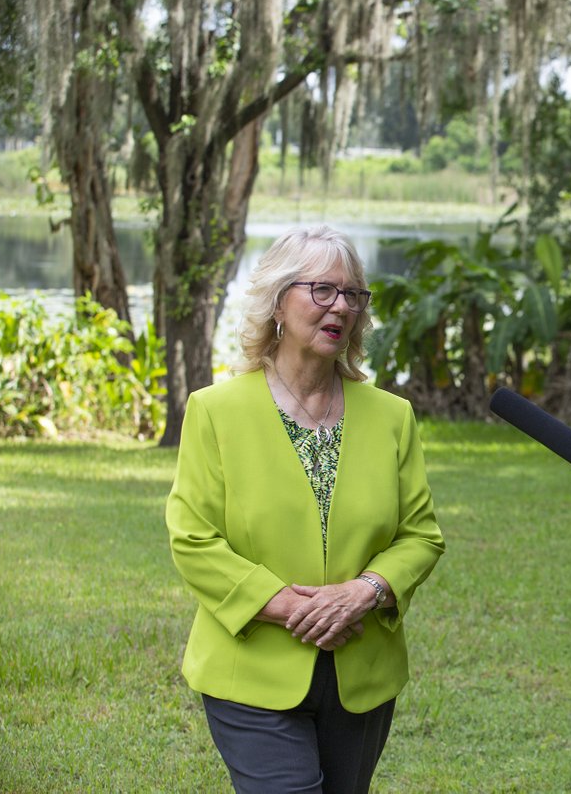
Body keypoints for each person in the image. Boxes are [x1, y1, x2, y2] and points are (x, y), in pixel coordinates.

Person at [165, 225, 445, 793]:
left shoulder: (392, 417)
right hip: (250, 670)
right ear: (276, 301)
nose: (340, 306)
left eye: (353, 295)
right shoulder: (215, 411)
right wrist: (293, 607)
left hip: (361, 672)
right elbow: (193, 539)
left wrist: (361, 593)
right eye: (322, 290)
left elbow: (420, 536)